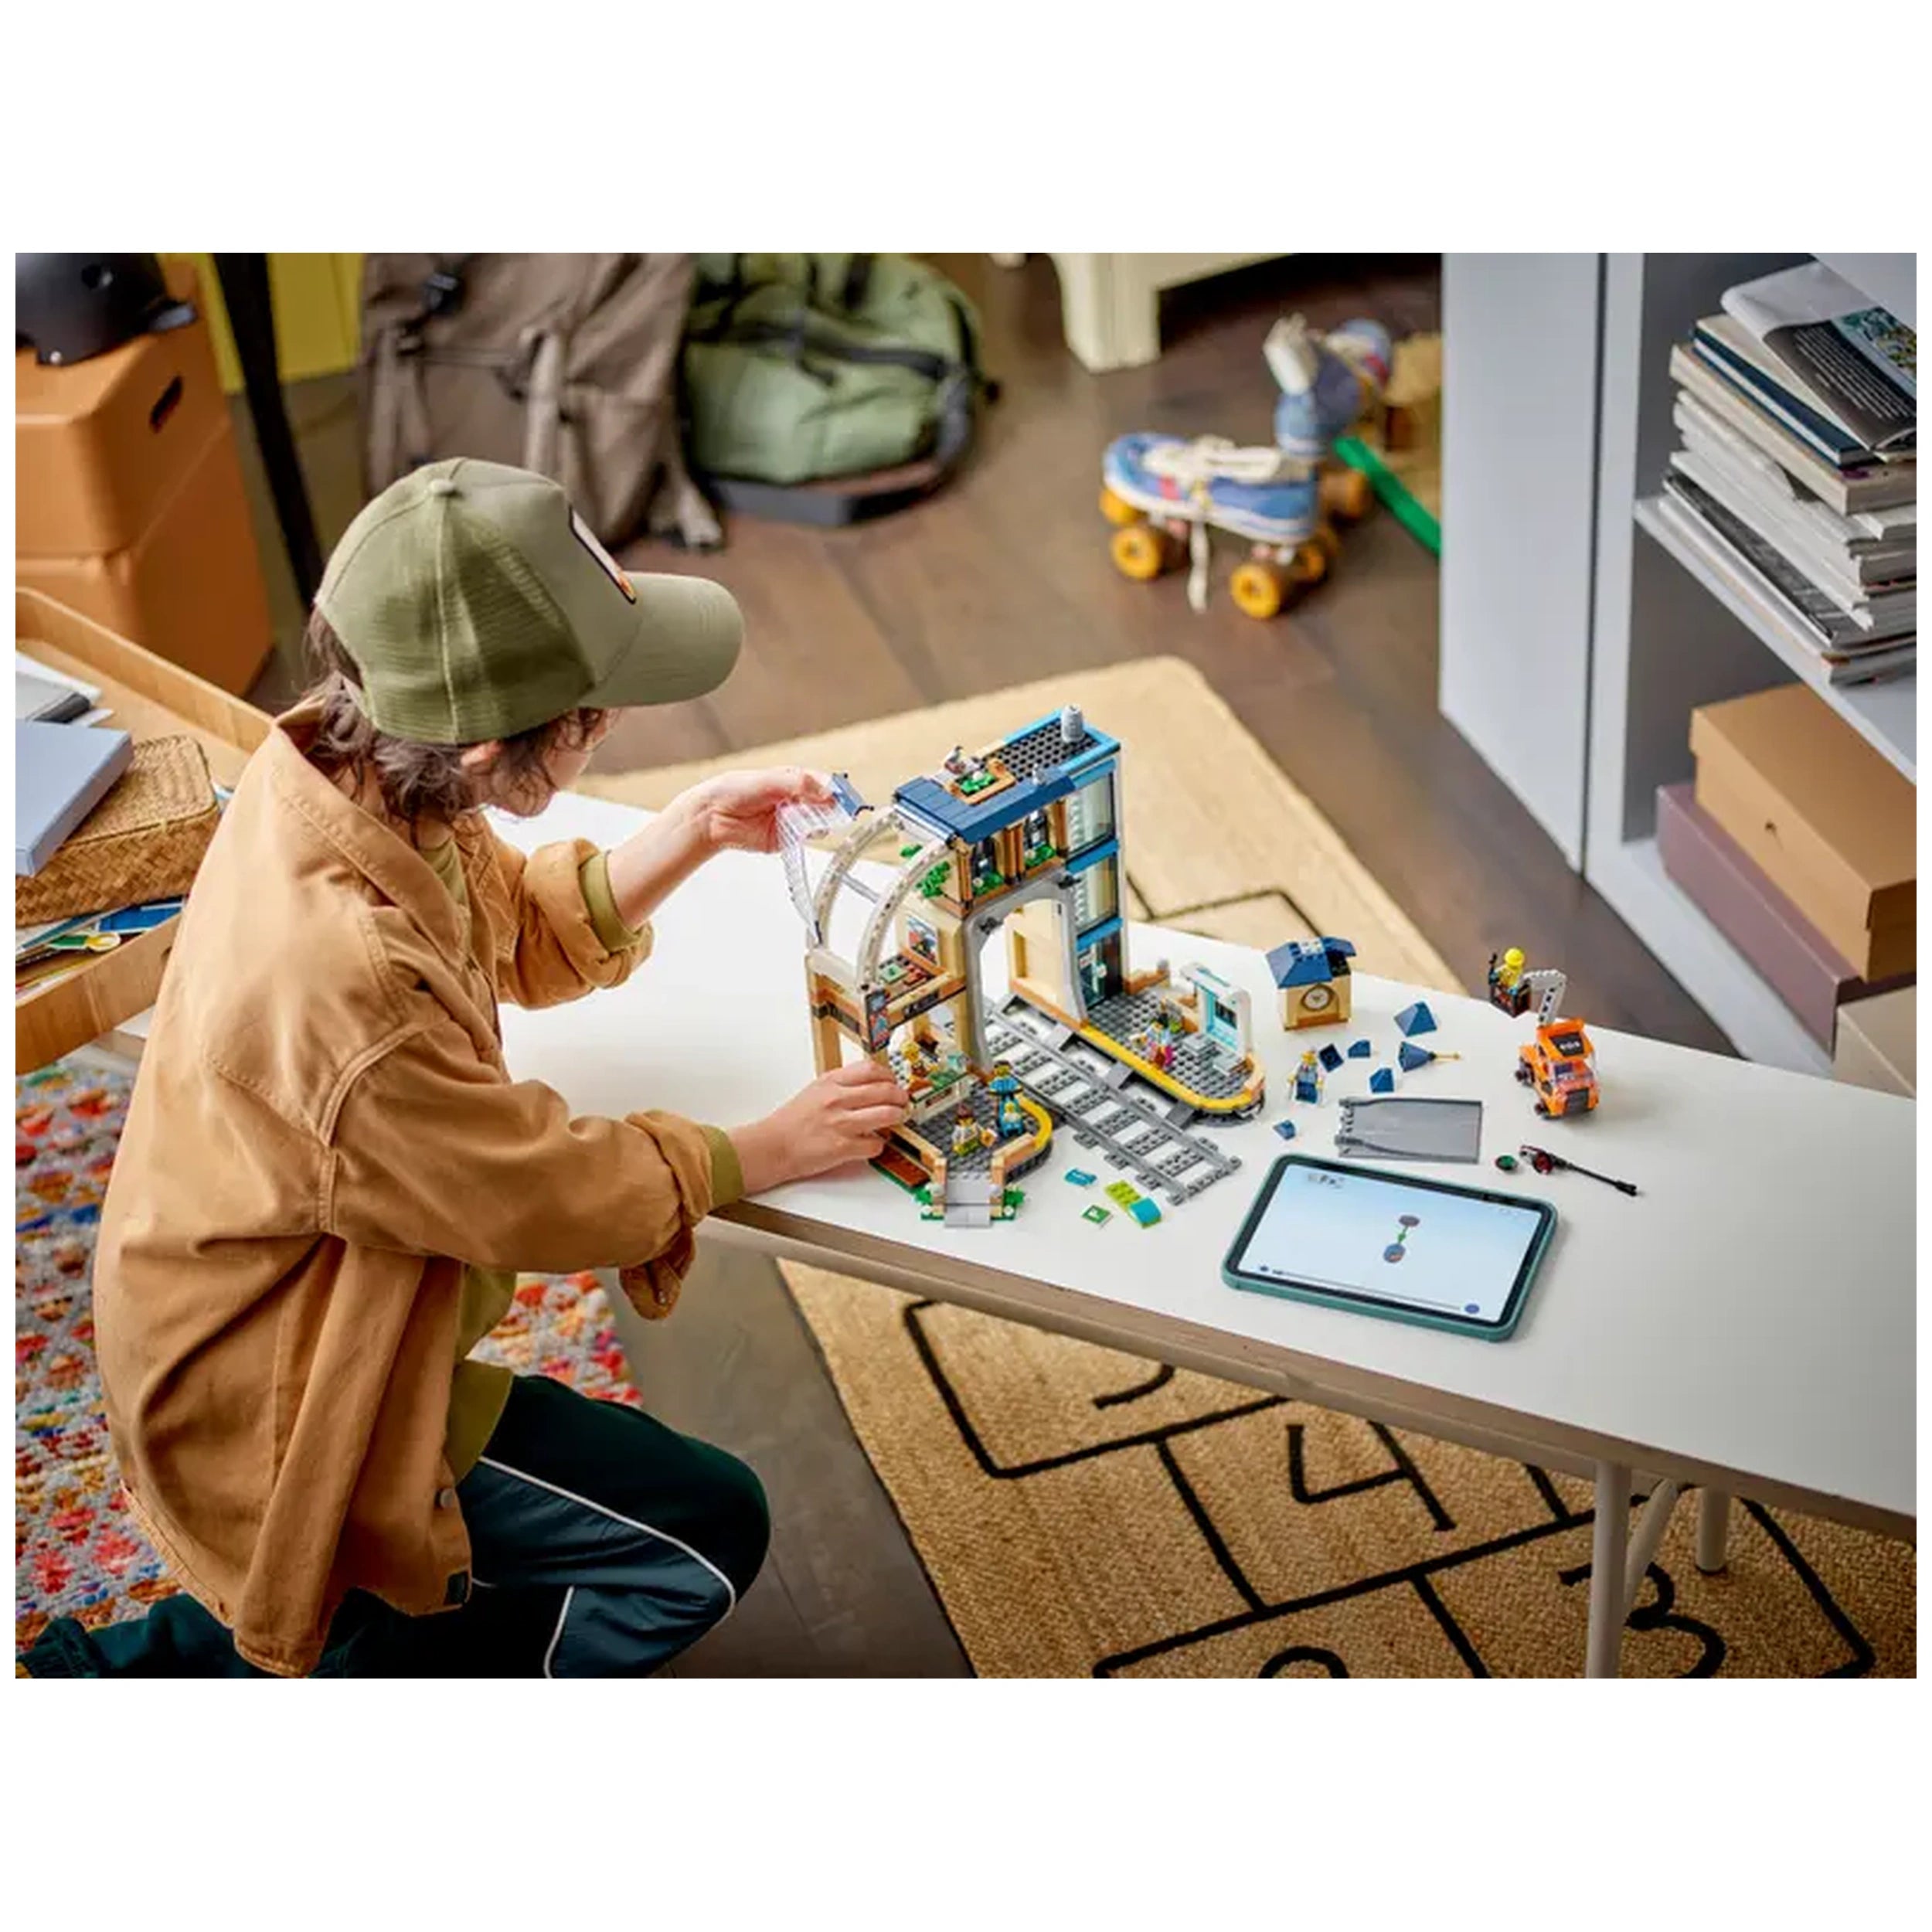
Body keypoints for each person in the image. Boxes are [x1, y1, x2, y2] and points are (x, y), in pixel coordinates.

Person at [21, 458, 908, 1679]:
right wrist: (759, 1151)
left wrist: (690, 831)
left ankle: (240, 1652)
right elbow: (527, 1190)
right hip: (286, 1388)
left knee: (377, 1593)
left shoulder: (358, 775)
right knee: (702, 1539)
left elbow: (506, 926)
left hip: (307, 1284)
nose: (609, 730)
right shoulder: (347, 983)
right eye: (596, 716)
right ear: (490, 749)